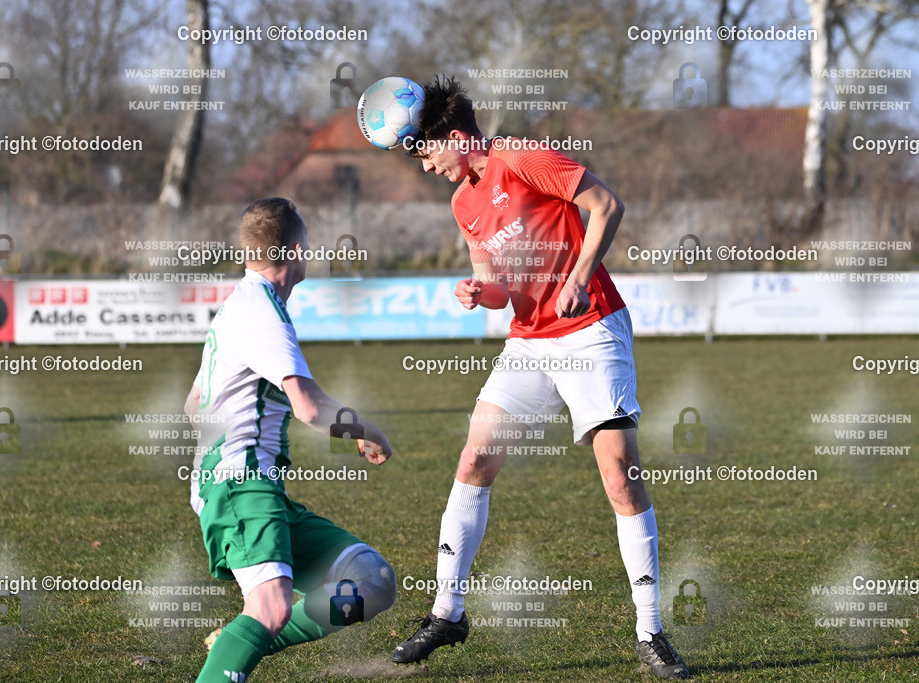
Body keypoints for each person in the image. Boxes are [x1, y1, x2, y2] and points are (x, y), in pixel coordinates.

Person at [390, 76, 689, 680]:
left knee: (619, 477)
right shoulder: (462, 203)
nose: (425, 166)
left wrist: (580, 273)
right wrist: (482, 291)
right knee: (474, 460)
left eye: (426, 152)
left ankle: (651, 631)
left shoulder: (520, 156)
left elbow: (606, 205)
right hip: (530, 340)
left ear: (452, 137)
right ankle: (448, 612)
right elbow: (501, 290)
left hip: (590, 328)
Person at [183, 197, 396, 682]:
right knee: (270, 604)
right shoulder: (262, 313)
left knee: (372, 582)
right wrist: (366, 429)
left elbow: (193, 406)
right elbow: (307, 405)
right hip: (242, 484)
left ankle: (250, 635)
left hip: (253, 486)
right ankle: (256, 626)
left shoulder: (240, 306)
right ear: (299, 250)